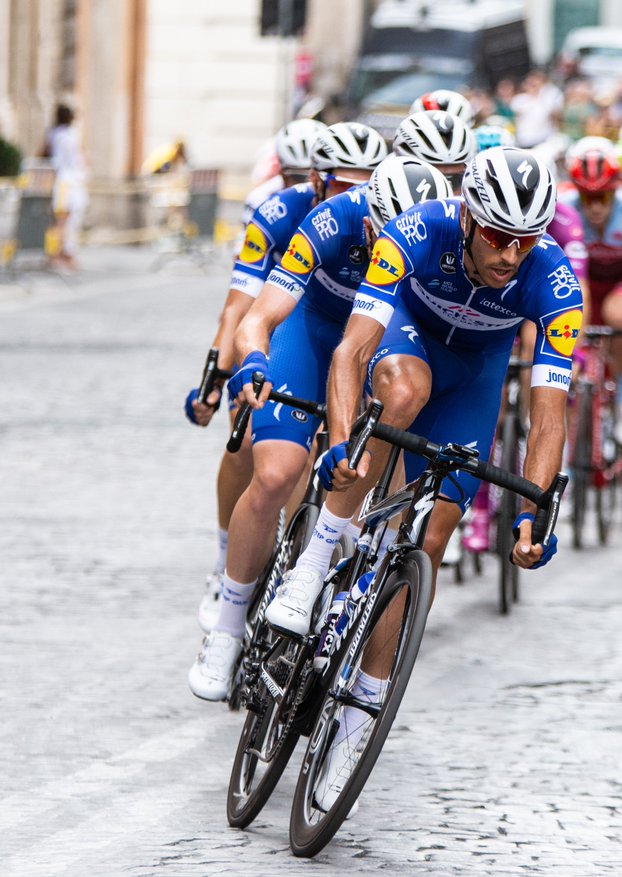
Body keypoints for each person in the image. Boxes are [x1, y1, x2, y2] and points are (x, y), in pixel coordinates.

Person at [265, 149, 578, 805]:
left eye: (525, 241)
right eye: (497, 235)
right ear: (468, 217)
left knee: (430, 540)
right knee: (404, 388)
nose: (509, 254)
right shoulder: (418, 230)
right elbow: (351, 349)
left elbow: (549, 418)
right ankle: (316, 557)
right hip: (405, 343)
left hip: (475, 378)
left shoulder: (556, 283)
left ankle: (360, 714)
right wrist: (346, 441)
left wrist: (533, 514)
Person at [187, 125, 399, 701]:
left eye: (360, 183)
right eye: (339, 183)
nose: (348, 192)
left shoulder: (405, 221)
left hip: (373, 340)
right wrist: (224, 368)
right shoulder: (309, 216)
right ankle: (229, 619)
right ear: (317, 180)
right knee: (276, 470)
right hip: (306, 329)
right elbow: (245, 306)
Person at [185, 119, 329, 633]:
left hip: (322, 329)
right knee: (244, 440)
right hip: (267, 327)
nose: (298, 184)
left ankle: (294, 557)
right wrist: (214, 377)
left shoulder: (355, 211)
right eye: (290, 174)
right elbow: (238, 306)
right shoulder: (272, 208)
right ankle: (225, 560)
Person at [560, 138, 622, 446]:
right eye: (588, 198)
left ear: (616, 189)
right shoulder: (564, 211)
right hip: (583, 284)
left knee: (620, 315)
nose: (596, 207)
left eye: (603, 197)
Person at [45, 104, 88, 272]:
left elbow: (43, 152)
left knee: (61, 221)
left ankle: (60, 253)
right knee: (64, 221)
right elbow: (82, 158)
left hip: (61, 181)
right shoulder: (71, 135)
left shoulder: (53, 134)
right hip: (69, 183)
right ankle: (58, 254)